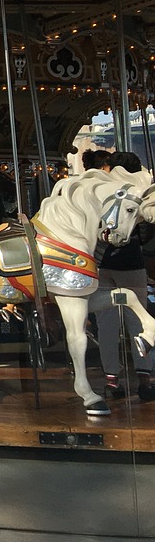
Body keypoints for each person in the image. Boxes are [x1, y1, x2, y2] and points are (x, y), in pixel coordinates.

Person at [94, 150, 155, 401]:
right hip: (130, 262)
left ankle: (112, 381)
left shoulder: (107, 193)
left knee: (106, 325)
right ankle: (145, 380)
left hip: (102, 261)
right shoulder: (139, 192)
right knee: (138, 322)